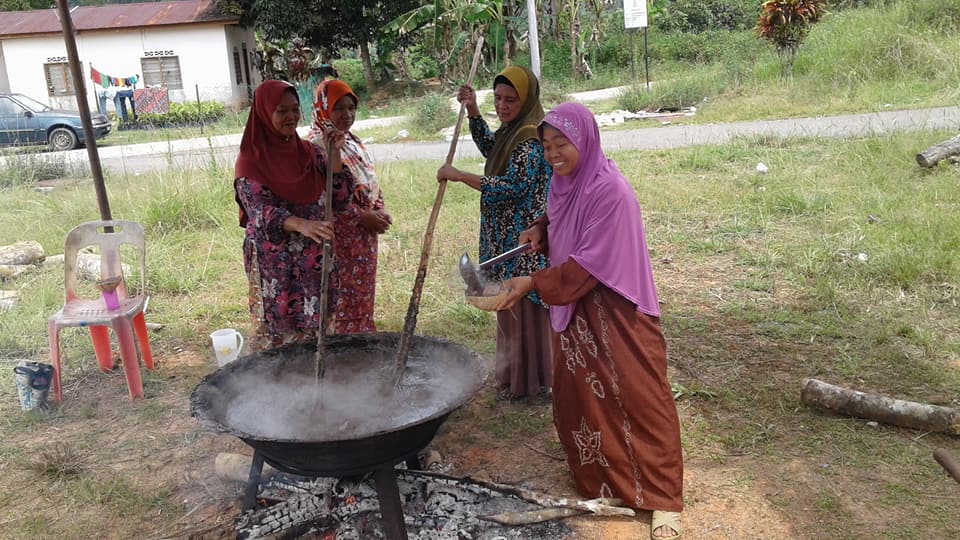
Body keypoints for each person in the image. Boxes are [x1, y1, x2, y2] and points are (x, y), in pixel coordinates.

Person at [495, 102, 684, 540]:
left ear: (585, 139)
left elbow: (588, 263)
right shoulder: (563, 183)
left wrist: (531, 282)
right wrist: (540, 228)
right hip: (576, 308)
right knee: (582, 396)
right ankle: (604, 481)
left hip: (617, 307)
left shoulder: (611, 192)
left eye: (562, 143)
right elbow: (560, 217)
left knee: (640, 397)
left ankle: (662, 497)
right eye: (546, 145)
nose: (553, 154)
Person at [436, 65, 553, 399]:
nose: (502, 106)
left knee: (522, 303)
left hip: (523, 237)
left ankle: (530, 382)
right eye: (498, 98)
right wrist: (474, 111)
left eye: (510, 100)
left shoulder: (530, 139)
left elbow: (514, 186)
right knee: (506, 301)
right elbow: (491, 146)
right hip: (503, 234)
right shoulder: (511, 132)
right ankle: (512, 375)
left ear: (526, 100)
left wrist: (461, 176)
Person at [234, 80, 354, 351]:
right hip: (276, 266)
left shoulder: (310, 152)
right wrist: (301, 224)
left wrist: (334, 153)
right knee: (280, 337)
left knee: (318, 332)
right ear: (264, 113)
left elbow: (340, 200)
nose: (291, 116)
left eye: (295, 109)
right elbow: (259, 212)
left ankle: (316, 374)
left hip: (315, 261)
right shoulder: (250, 160)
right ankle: (279, 376)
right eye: (282, 111)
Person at [307, 79, 391, 334]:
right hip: (341, 237)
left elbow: (369, 179)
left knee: (362, 292)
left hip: (364, 234)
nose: (348, 114)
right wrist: (362, 216)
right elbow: (325, 198)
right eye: (339, 108)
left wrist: (378, 209)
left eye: (352, 108)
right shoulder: (316, 146)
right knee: (343, 295)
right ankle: (344, 345)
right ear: (323, 109)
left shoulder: (350, 140)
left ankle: (362, 337)